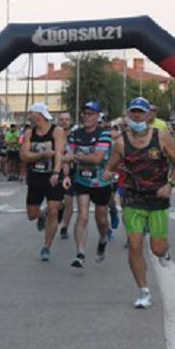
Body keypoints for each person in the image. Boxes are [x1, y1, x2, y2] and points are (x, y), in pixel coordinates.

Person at [102, 97, 175, 308]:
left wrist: (170, 184)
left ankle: (164, 252)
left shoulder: (162, 137)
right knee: (134, 243)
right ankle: (143, 291)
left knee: (157, 249)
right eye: (134, 112)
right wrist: (107, 173)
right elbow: (111, 166)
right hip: (132, 198)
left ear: (149, 114)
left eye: (141, 112)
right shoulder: (121, 142)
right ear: (128, 115)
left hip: (157, 197)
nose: (137, 116)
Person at [63, 101, 113, 267]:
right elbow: (66, 156)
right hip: (82, 180)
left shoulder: (104, 134)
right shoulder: (74, 135)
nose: (87, 116)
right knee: (82, 215)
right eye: (85, 113)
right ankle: (80, 254)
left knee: (101, 219)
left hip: (101, 182)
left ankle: (103, 239)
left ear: (98, 117)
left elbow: (97, 158)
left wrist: (76, 157)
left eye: (91, 113)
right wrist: (65, 175)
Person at [21, 102, 67, 261]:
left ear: (38, 114)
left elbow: (59, 153)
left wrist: (56, 172)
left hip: (52, 177)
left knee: (53, 209)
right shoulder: (29, 133)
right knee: (31, 215)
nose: (29, 116)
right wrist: (42, 155)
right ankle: (42, 215)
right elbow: (24, 155)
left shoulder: (57, 131)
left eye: (30, 113)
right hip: (35, 178)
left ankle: (46, 246)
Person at [56, 111, 76, 239]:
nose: (64, 122)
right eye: (61, 119)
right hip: (57, 170)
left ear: (70, 121)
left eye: (66, 119)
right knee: (57, 202)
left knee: (68, 200)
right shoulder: (55, 135)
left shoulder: (75, 136)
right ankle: (59, 210)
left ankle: (64, 227)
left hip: (72, 171)